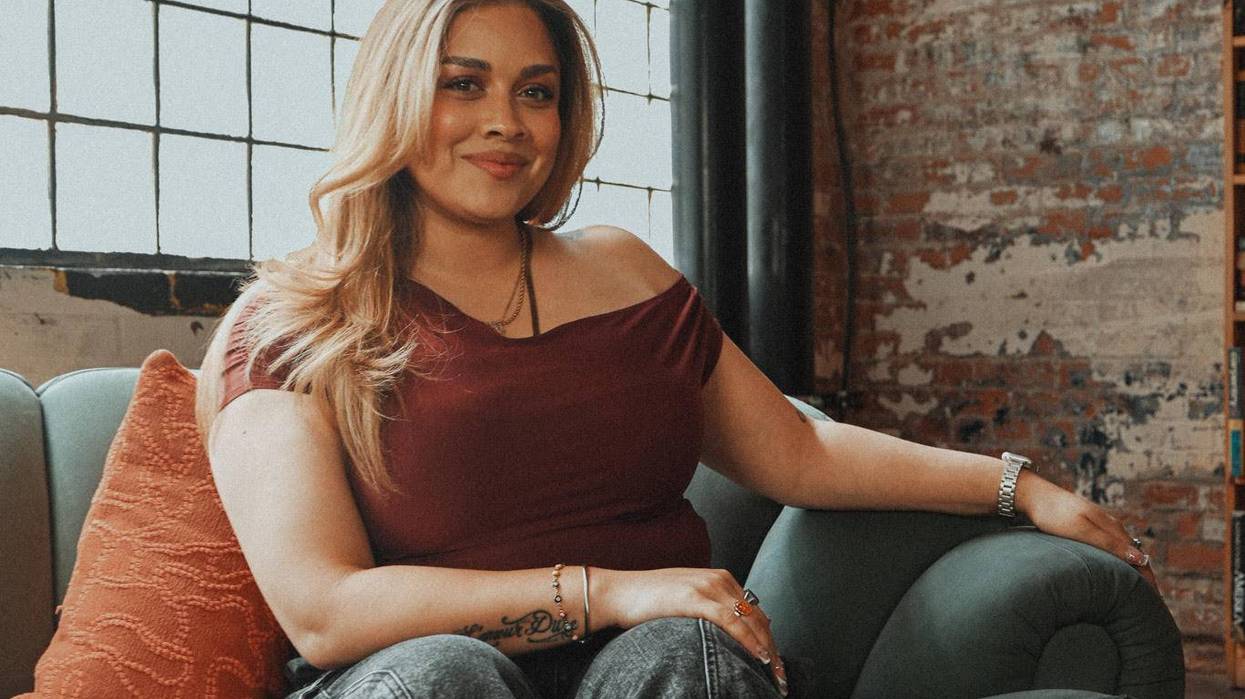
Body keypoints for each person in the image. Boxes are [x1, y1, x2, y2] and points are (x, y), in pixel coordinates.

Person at [194, 1, 1158, 697]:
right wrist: (608, 591)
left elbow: (801, 450)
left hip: (658, 668)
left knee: (683, 652)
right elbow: (321, 610)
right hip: (416, 673)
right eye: (463, 84)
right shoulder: (289, 322)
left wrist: (1019, 487)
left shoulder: (623, 270)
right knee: (446, 677)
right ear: (395, 98)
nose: (506, 122)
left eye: (537, 91)